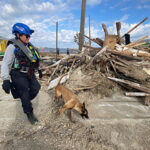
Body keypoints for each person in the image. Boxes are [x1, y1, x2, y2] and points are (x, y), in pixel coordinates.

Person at [1, 23, 43, 125]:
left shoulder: (28, 46)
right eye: (26, 36)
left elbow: (33, 59)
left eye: (29, 36)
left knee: (36, 88)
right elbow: (6, 63)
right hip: (17, 74)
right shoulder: (12, 46)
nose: (29, 37)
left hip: (29, 73)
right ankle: (29, 113)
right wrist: (5, 79)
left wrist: (39, 69)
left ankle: (24, 99)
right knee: (24, 92)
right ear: (18, 35)